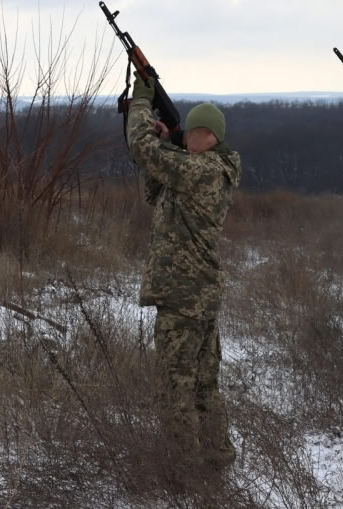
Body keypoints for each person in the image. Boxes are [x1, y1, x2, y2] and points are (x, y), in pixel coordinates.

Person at [128, 73, 242, 479]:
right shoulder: (203, 168)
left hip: (184, 295)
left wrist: (142, 102)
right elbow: (155, 192)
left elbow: (139, 147)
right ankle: (216, 461)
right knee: (202, 385)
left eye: (191, 131)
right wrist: (169, 142)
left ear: (207, 135)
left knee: (176, 387)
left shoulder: (204, 170)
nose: (187, 136)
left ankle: (185, 473)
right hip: (198, 293)